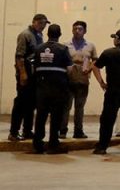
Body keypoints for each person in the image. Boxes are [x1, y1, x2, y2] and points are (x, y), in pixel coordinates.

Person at [31, 24, 71, 154]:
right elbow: (69, 69)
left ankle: (37, 144)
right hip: (58, 88)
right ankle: (53, 144)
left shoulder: (38, 48)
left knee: (41, 116)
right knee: (56, 116)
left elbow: (34, 67)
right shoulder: (63, 49)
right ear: (59, 35)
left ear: (47, 34)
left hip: (42, 88)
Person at [9, 13, 47, 142]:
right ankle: (13, 132)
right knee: (21, 102)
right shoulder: (25, 35)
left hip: (34, 75)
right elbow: (19, 56)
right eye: (40, 23)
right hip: (25, 73)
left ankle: (27, 130)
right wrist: (22, 73)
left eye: (44, 24)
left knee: (31, 104)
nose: (42, 26)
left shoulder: (39, 35)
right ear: (34, 22)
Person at [61, 20, 97, 139]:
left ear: (85, 31)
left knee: (79, 107)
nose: (77, 31)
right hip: (68, 80)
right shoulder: (65, 45)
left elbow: (95, 60)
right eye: (75, 28)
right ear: (72, 30)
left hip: (83, 80)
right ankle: (62, 131)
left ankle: (78, 131)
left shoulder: (90, 45)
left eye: (80, 29)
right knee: (66, 106)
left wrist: (90, 68)